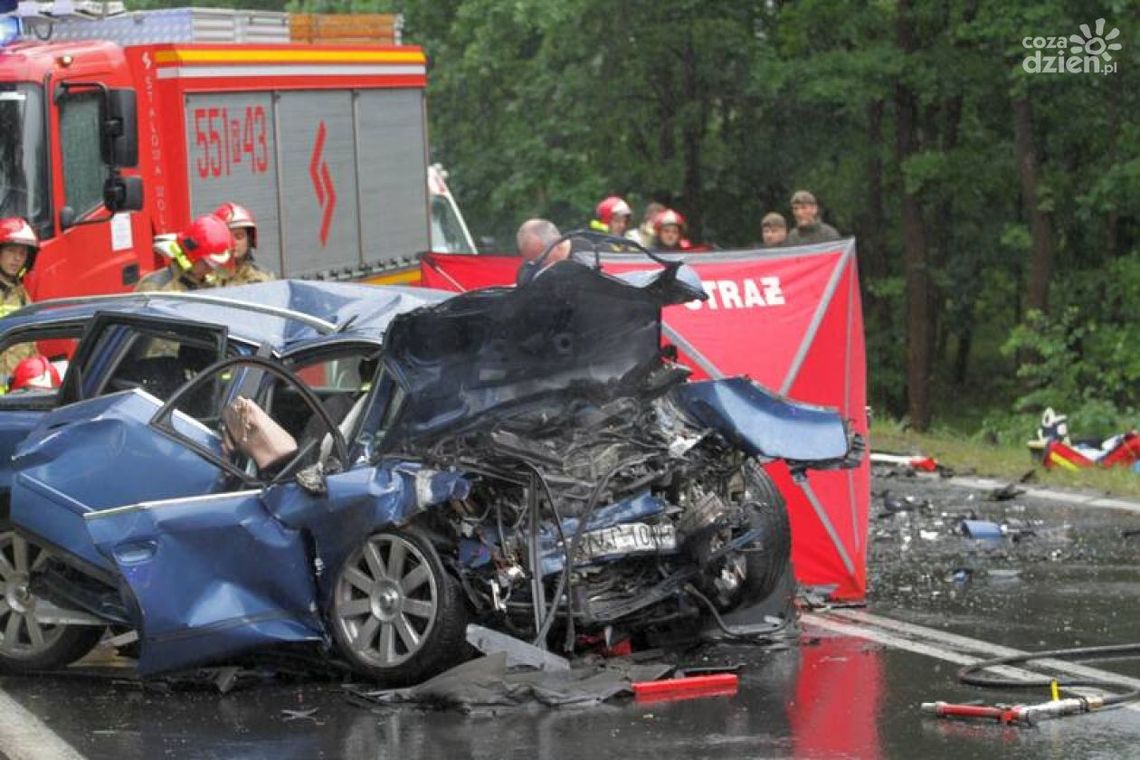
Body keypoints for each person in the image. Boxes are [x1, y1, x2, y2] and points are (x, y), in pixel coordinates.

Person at [135, 215, 235, 293]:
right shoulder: (154, 288)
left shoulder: (212, 284)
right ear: (191, 254)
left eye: (215, 264)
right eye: (207, 262)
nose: (211, 268)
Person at [213, 202, 274, 285]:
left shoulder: (261, 280)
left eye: (239, 236)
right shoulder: (204, 278)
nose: (233, 243)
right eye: (227, 237)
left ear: (249, 240)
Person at [515, 218, 573, 286]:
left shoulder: (584, 264)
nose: (534, 265)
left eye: (539, 260)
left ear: (558, 244)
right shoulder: (528, 270)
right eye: (529, 260)